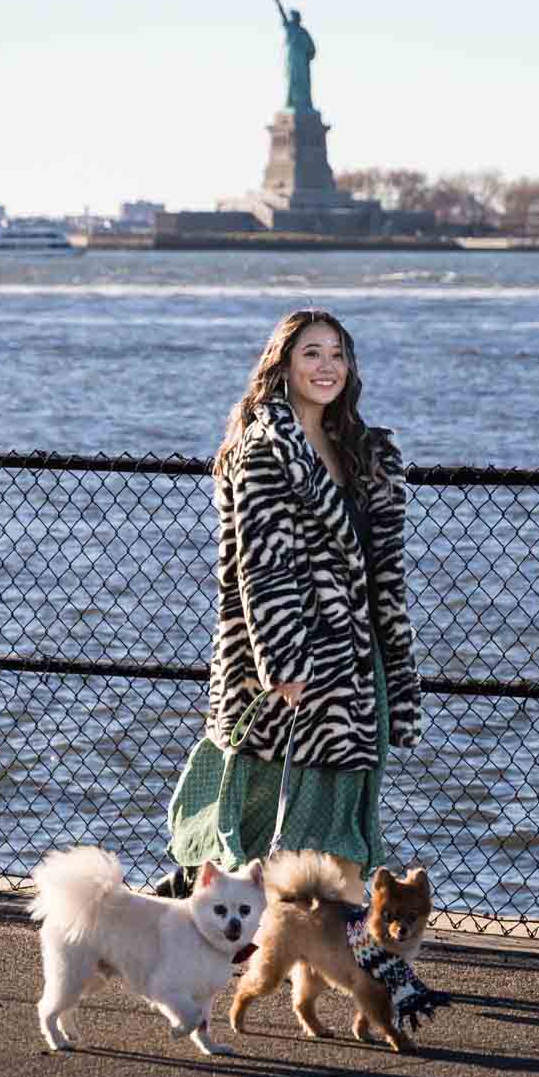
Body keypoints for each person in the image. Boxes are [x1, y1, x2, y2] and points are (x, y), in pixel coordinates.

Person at [157, 309, 422, 898]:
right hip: (286, 664)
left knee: (344, 817)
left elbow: (381, 569)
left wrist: (390, 664)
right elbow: (261, 564)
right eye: (311, 353)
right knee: (257, 812)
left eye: (336, 354)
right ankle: (192, 912)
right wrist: (285, 666)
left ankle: (354, 954)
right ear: (283, 364)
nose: (326, 366)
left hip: (354, 663)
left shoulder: (359, 451)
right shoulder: (265, 449)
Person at [271, 0, 316, 112]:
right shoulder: (290, 27)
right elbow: (280, 10)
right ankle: (292, 104)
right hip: (292, 61)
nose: (291, 17)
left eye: (294, 16)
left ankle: (304, 105)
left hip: (301, 62)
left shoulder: (303, 32)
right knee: (292, 83)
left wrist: (307, 55)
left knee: (303, 84)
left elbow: (312, 49)